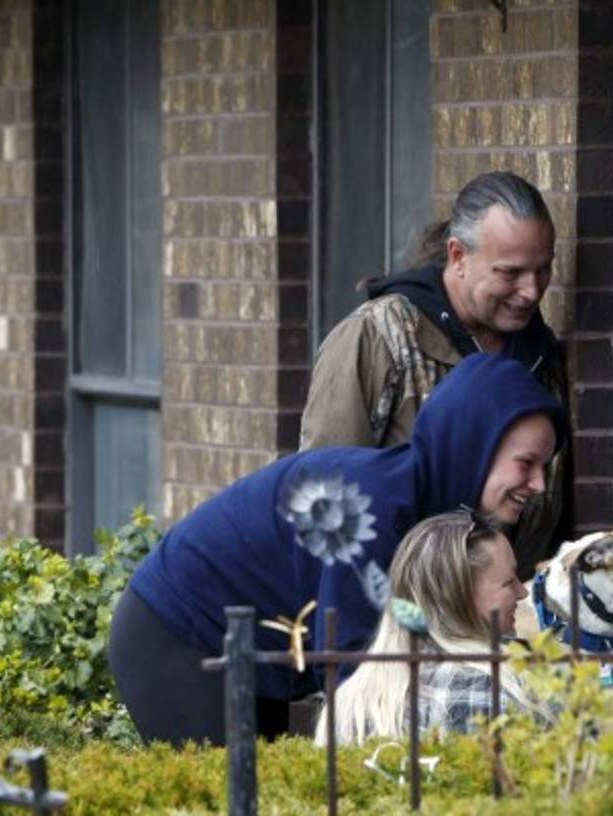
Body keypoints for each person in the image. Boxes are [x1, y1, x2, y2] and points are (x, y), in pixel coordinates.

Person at [109, 353, 564, 746]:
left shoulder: (430, 512)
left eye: (544, 466)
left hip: (248, 650)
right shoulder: (375, 510)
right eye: (526, 463)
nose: (539, 484)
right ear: (473, 447)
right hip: (177, 633)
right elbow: (357, 682)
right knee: (231, 799)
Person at [299, 171, 571, 580]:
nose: (532, 291)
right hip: (391, 610)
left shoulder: (541, 352)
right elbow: (325, 490)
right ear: (458, 255)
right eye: (510, 273)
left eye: (543, 270)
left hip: (504, 613)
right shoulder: (378, 336)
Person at [316, 509, 554, 745]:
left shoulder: (348, 703)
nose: (522, 592)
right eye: (508, 581)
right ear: (458, 595)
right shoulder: (504, 691)